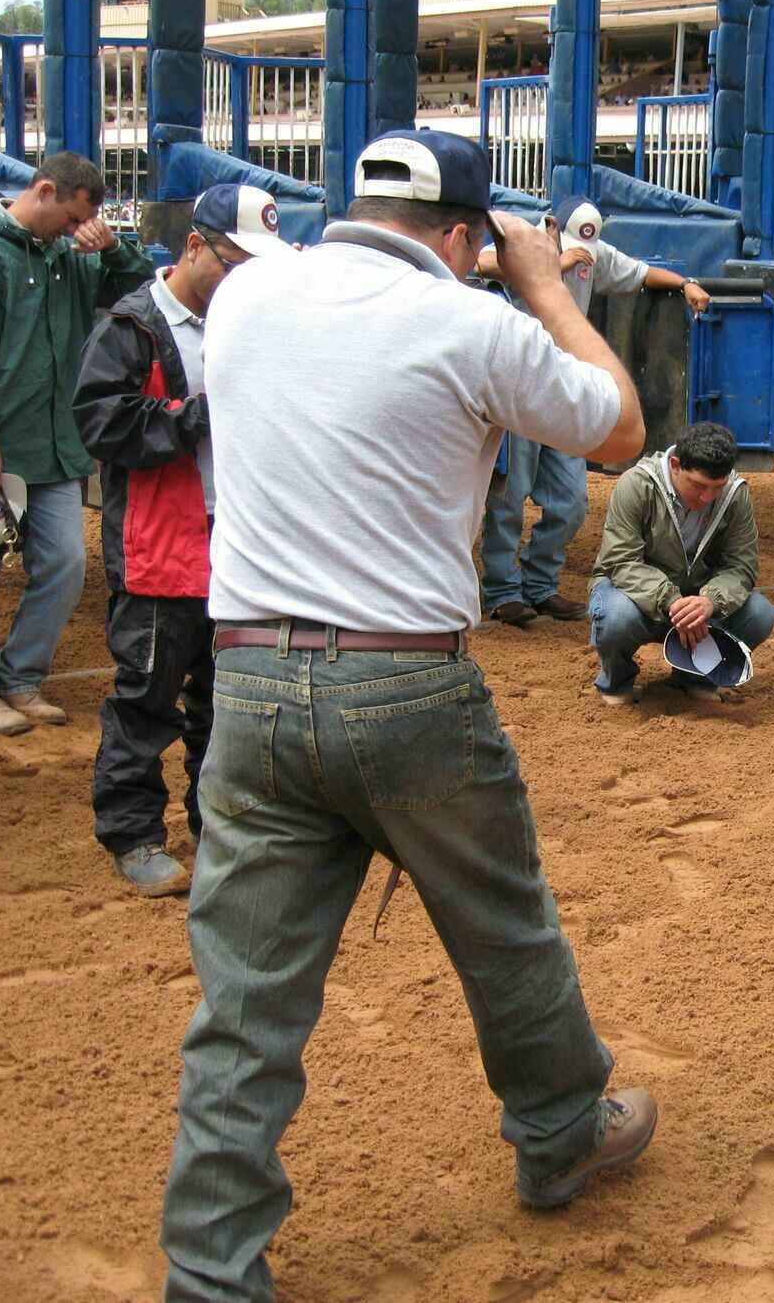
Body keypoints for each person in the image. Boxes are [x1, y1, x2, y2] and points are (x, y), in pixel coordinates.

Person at [159, 131, 651, 1301]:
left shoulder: (248, 297)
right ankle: (557, 1134)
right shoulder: (475, 323)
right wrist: (539, 285)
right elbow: (620, 426)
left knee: (244, 1004)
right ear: (461, 238)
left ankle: (212, 1273)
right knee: (504, 929)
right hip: (407, 680)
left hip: (254, 678)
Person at [73, 184, 292, 899]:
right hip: (158, 544)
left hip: (233, 543)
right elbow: (102, 421)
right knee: (146, 695)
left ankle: (217, 818)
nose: (242, 281)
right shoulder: (133, 325)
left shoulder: (251, 324)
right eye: (233, 262)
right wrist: (195, 417)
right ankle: (133, 832)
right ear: (193, 246)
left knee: (226, 698)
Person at [0, 152, 153, 735]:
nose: (75, 229)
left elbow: (142, 290)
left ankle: (22, 676)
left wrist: (112, 248)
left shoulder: (71, 254)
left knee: (65, 563)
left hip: (54, 445)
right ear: (45, 190)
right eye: (73, 217)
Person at [474, 195, 711, 627]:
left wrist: (684, 283)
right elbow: (484, 263)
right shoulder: (526, 241)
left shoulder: (595, 253)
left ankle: (541, 586)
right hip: (520, 384)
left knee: (570, 500)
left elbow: (640, 272)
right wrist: (551, 267)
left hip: (564, 385)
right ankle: (503, 591)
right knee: (510, 494)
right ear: (549, 228)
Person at [587, 420, 774, 704]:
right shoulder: (636, 484)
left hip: (698, 601)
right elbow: (621, 561)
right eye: (699, 485)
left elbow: (742, 566)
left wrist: (710, 601)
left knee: (760, 614)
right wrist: (671, 600)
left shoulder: (735, 493)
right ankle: (617, 680)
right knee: (616, 617)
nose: (707, 497)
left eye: (717, 487)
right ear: (675, 464)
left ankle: (694, 678)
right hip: (636, 597)